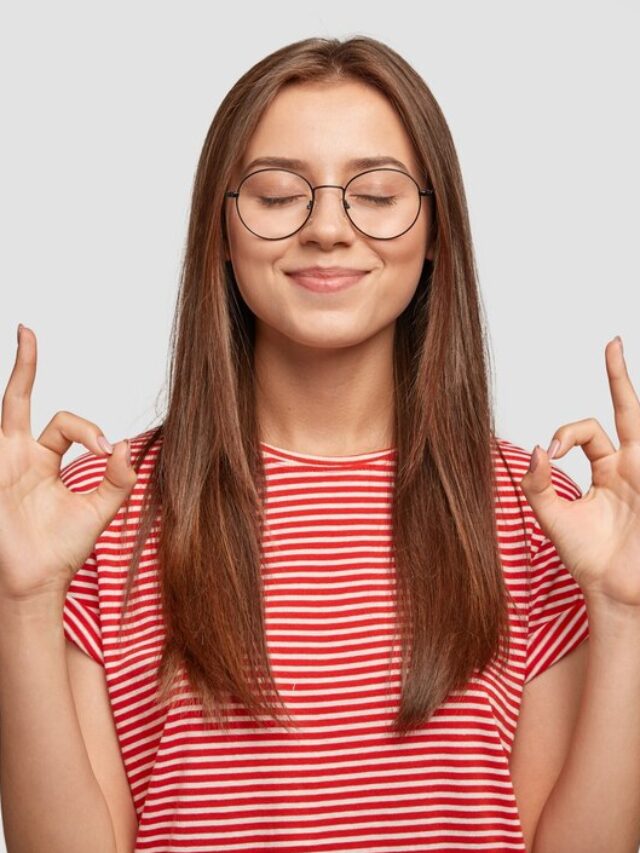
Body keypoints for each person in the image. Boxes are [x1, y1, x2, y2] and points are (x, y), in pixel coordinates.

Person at [4, 34, 639, 853]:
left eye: (376, 193)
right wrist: (21, 600)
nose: (329, 229)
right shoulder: (97, 512)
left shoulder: (541, 516)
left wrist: (624, 614)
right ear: (219, 234)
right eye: (276, 195)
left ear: (437, 230)